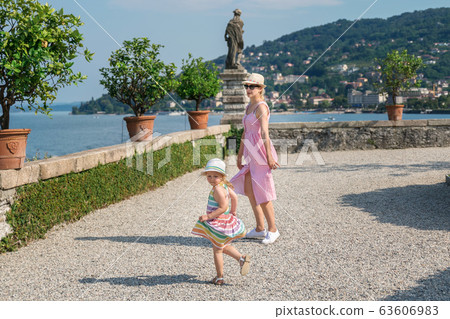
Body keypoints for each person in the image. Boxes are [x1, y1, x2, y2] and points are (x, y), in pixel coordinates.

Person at [230, 73, 281, 244]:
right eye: (246, 86)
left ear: (260, 88)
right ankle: (260, 228)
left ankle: (273, 229)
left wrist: (269, 157)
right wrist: (239, 155)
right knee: (250, 190)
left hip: (260, 152)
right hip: (250, 153)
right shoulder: (248, 108)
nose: (248, 89)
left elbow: (265, 133)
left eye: (252, 86)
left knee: (263, 191)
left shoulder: (261, 107)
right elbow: (245, 132)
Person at [191, 158, 250, 286]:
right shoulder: (225, 186)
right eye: (209, 176)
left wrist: (208, 216)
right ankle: (241, 258)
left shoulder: (218, 189)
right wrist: (233, 211)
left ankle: (220, 277)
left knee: (217, 250)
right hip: (225, 220)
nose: (211, 179)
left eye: (215, 176)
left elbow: (223, 207)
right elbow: (234, 198)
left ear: (222, 176)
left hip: (219, 223)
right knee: (222, 245)